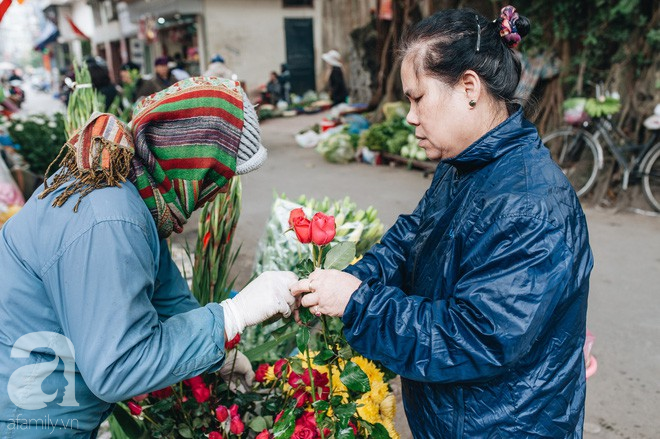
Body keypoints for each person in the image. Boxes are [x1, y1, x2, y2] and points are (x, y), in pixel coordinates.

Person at [291, 6, 593, 437]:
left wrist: (359, 302)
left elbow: (469, 338)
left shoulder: (529, 204)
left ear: (469, 87)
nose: (411, 116)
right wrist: (348, 280)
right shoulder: (462, 165)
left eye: (417, 98)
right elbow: (413, 238)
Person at [0, 77, 295, 436]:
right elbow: (118, 367)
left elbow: (165, 292)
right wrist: (232, 316)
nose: (217, 193)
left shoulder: (129, 189)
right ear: (194, 163)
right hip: (30, 417)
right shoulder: (110, 218)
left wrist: (219, 355)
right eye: (219, 176)